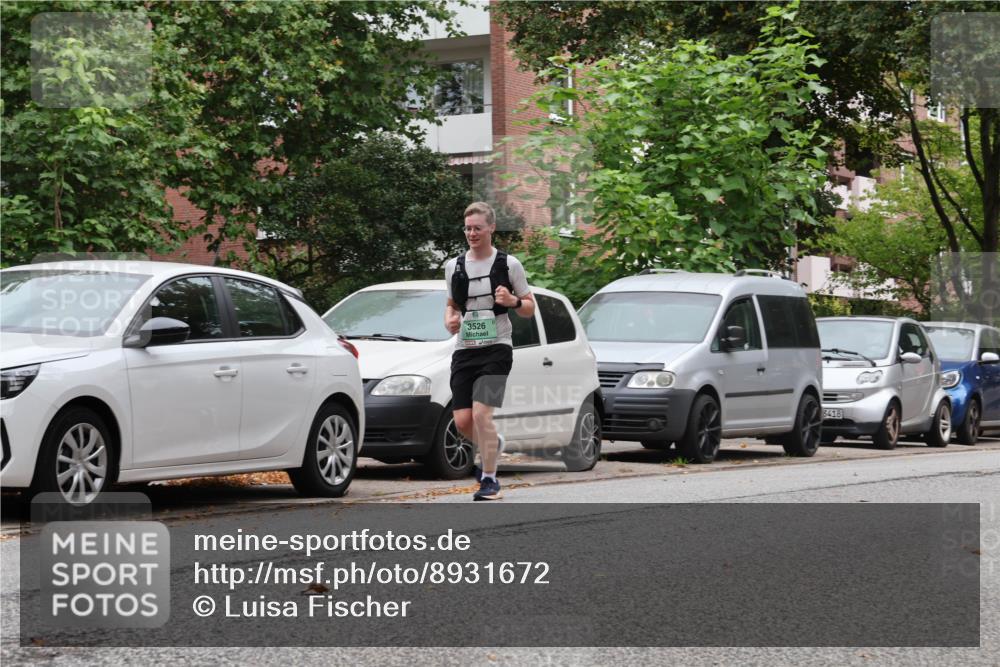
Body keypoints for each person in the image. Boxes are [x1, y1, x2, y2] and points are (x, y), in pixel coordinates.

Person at [444, 202, 534, 500]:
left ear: (491, 228)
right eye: (467, 228)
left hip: (497, 348)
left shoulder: (510, 265)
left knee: (482, 415)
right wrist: (450, 318)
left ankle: (490, 480)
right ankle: (493, 444)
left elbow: (529, 307)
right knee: (463, 422)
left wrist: (513, 302)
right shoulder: (453, 266)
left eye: (477, 228)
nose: (471, 233)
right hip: (465, 350)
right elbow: (452, 304)